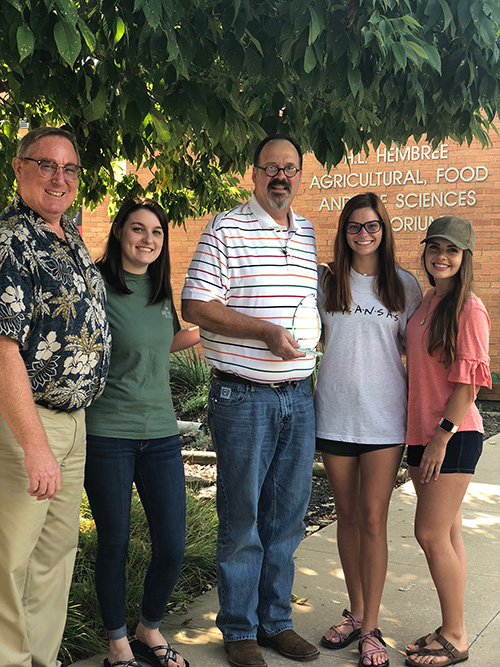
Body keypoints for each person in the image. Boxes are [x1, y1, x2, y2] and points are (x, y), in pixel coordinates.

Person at [182, 135, 319, 667]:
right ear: (254, 175)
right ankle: (239, 629)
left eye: (290, 169)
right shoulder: (226, 228)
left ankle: (276, 622)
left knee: (287, 516)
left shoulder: (306, 232)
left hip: (298, 395)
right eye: (271, 168)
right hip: (243, 395)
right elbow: (195, 304)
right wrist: (263, 331)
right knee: (242, 517)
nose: (280, 177)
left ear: (300, 176)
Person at [0, 126, 111, 667]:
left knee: (53, 558)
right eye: (46, 165)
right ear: (19, 168)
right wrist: (36, 445)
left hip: (73, 422)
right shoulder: (10, 240)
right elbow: (3, 351)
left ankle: (38, 659)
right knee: (10, 562)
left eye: (69, 169)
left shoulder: (69, 236)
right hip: (26, 423)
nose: (59, 178)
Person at [84, 197, 199, 667]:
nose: (148, 239)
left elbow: (163, 343)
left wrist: (212, 329)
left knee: (172, 543)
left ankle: (149, 629)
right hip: (108, 434)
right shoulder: (95, 285)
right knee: (115, 541)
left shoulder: (157, 287)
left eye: (156, 232)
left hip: (161, 434)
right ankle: (117, 645)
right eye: (138, 229)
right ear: (118, 233)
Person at [314, 193, 422, 667]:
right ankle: (355, 612)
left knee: (374, 519)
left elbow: (417, 350)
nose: (363, 234)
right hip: (334, 414)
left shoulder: (404, 285)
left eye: (372, 225)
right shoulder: (329, 283)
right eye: (354, 226)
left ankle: (373, 626)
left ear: (384, 229)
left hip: (383, 419)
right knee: (348, 518)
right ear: (344, 232)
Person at [404, 216, 490, 667]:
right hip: (420, 433)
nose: (441, 256)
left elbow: (468, 383)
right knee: (449, 532)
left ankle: (456, 635)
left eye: (452, 250)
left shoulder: (468, 307)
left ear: (465, 257)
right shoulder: (426, 303)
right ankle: (449, 626)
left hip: (451, 435)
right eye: (434, 247)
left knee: (429, 532)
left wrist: (441, 437)